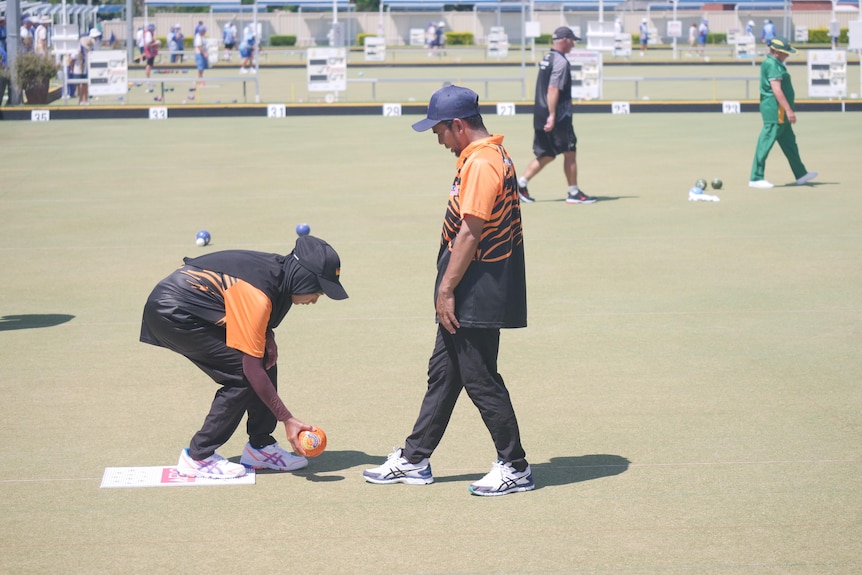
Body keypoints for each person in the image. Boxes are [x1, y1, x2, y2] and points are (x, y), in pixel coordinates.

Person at [363, 85, 533, 497]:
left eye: (439, 130)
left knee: (480, 378)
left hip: (476, 287)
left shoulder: (482, 163)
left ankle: (516, 466)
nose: (437, 139)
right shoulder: (484, 156)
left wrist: (446, 290)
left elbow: (470, 233)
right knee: (444, 373)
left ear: (459, 125)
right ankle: (415, 458)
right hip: (473, 285)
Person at [140, 235, 349, 479]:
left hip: (198, 307)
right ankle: (198, 457)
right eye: (318, 290)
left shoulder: (281, 273)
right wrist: (287, 419)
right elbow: (250, 369)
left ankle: (261, 447)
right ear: (303, 278)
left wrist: (266, 335)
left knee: (265, 359)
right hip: (174, 312)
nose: (315, 299)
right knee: (242, 375)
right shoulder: (259, 293)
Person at [517, 27, 596, 205]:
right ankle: (573, 192)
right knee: (570, 152)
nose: (574, 44)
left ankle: (520, 185)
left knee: (547, 153)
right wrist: (552, 115)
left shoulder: (547, 58)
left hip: (540, 113)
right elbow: (553, 88)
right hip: (558, 117)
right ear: (565, 40)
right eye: (572, 40)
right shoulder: (560, 61)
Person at [749, 37, 817, 189]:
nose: (787, 55)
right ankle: (756, 177)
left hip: (779, 111)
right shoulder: (772, 64)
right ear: (777, 52)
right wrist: (788, 109)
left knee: (789, 143)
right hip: (775, 110)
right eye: (785, 53)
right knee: (765, 142)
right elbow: (777, 90)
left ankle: (801, 174)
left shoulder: (775, 63)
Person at [70, 28, 100, 105]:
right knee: (81, 85)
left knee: (85, 84)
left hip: (85, 68)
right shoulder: (79, 49)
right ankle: (81, 100)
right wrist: (71, 69)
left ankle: (85, 100)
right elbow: (72, 58)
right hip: (78, 68)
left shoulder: (92, 47)